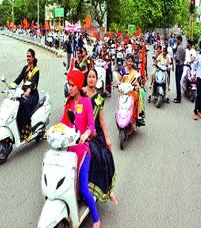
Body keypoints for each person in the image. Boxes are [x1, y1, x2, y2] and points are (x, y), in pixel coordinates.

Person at [60, 70, 101, 228]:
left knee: (83, 188)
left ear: (78, 85)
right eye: (69, 85)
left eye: (72, 85)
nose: (70, 88)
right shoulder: (69, 103)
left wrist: (86, 133)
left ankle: (96, 218)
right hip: (69, 150)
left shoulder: (86, 102)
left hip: (83, 150)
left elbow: (91, 124)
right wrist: (52, 130)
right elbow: (64, 122)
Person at [83, 69, 118, 205]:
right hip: (82, 131)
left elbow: (102, 120)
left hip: (96, 132)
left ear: (97, 81)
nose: (91, 79)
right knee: (94, 154)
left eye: (93, 77)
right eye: (89, 77)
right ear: (87, 79)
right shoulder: (81, 93)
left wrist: (107, 138)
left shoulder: (98, 99)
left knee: (106, 155)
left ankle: (108, 191)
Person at [14, 49, 39, 141]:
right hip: (23, 93)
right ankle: (19, 129)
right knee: (17, 103)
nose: (28, 58)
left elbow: (33, 83)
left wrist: (28, 91)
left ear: (33, 58)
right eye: (27, 56)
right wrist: (10, 86)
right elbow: (19, 79)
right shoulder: (25, 68)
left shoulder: (36, 70)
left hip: (32, 95)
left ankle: (28, 131)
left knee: (24, 104)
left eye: (29, 56)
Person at [114, 54, 145, 127]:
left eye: (131, 61)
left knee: (134, 102)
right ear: (126, 61)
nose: (130, 63)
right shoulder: (123, 70)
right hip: (124, 92)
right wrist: (116, 84)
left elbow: (137, 83)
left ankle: (135, 118)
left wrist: (136, 87)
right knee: (120, 103)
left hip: (132, 92)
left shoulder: (135, 72)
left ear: (133, 62)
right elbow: (119, 79)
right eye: (128, 61)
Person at [173, 35, 185, 103]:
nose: (176, 41)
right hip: (181, 65)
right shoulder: (183, 47)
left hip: (179, 66)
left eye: (177, 40)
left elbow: (177, 58)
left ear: (179, 40)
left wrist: (174, 56)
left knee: (178, 82)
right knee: (178, 82)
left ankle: (178, 98)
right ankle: (178, 97)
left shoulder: (179, 48)